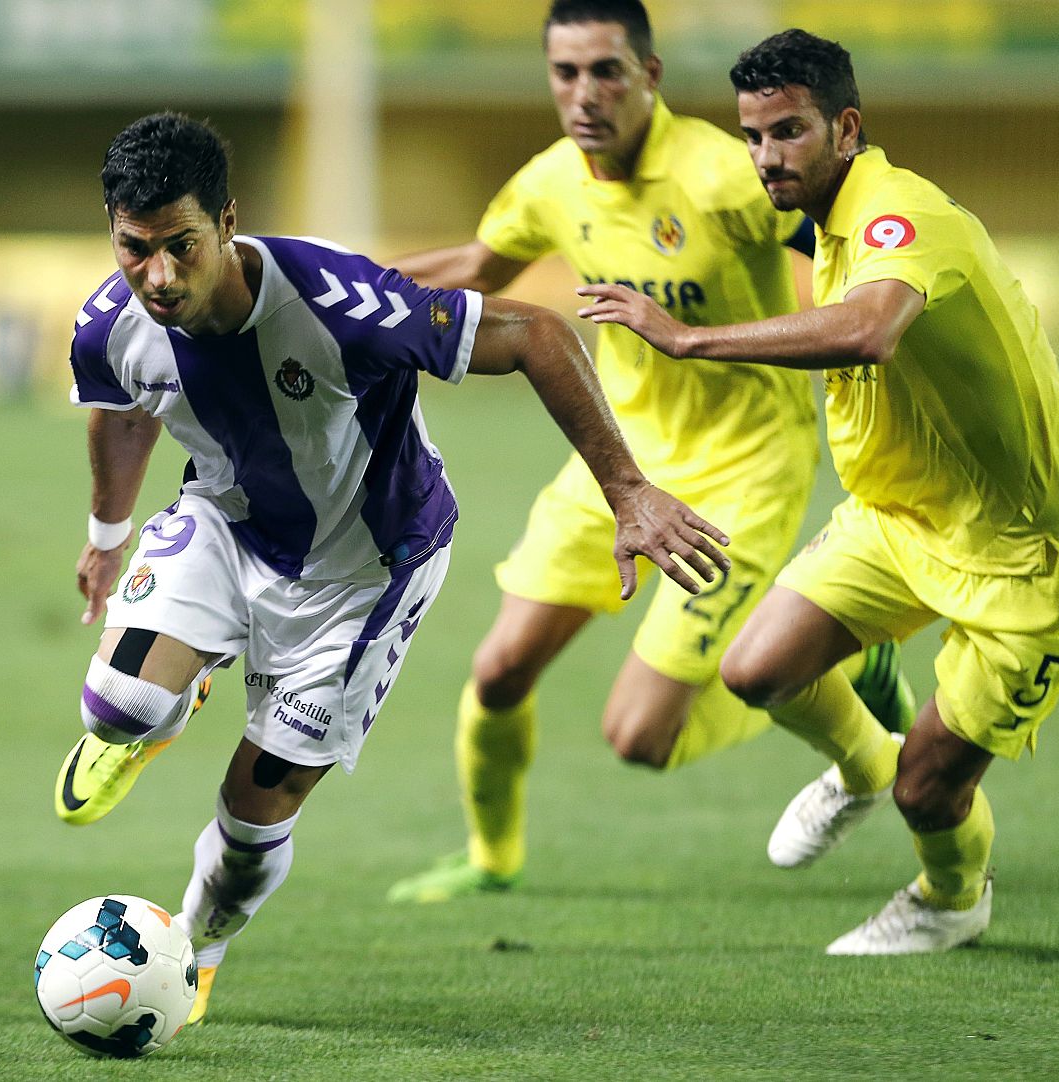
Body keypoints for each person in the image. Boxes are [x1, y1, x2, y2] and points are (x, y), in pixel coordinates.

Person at [53, 112, 730, 1025]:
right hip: (226, 526)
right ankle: (175, 694)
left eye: (182, 246)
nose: (159, 276)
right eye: (136, 250)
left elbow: (535, 334)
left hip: (370, 569)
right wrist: (107, 531)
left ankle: (196, 951)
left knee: (255, 814)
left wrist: (628, 490)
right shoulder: (109, 324)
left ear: (226, 222)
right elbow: (122, 410)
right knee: (120, 708)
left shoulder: (339, 304)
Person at [579, 29, 1059, 953]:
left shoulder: (896, 212)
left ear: (847, 126)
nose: (765, 158)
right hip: (904, 519)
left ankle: (950, 899)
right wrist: (1035, 409)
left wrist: (686, 338)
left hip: (1037, 559)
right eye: (752, 137)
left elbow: (872, 330)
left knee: (932, 787)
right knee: (756, 669)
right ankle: (860, 767)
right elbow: (992, 309)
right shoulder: (833, 219)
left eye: (787, 133)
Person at [385, 0, 911, 906]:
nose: (583, 93)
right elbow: (479, 268)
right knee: (499, 670)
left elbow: (861, 254)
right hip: (618, 461)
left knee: (640, 738)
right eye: (565, 73)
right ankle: (492, 856)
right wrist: (330, 287)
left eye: (606, 72)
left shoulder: (723, 175)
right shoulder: (551, 180)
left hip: (746, 466)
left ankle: (846, 669)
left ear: (650, 75)